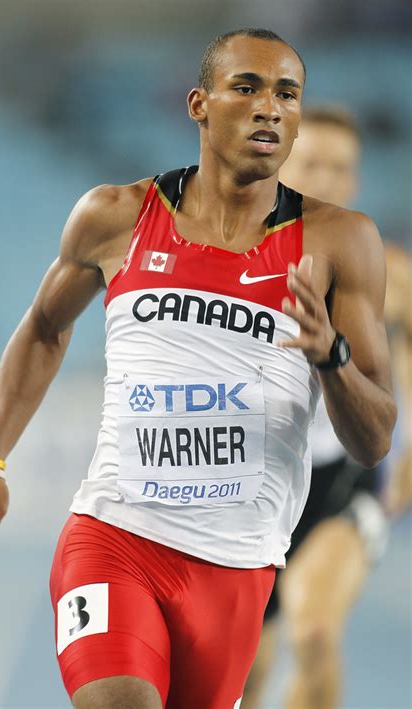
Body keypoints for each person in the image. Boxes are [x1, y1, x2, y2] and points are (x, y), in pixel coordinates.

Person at [0, 29, 396, 709]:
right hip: (113, 537)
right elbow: (44, 326)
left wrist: (330, 355)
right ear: (199, 104)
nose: (269, 108)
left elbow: (374, 440)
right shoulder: (117, 216)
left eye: (286, 94)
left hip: (237, 570)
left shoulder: (341, 243)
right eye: (246, 87)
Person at [241, 107, 410, 709]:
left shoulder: (391, 273)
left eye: (342, 168)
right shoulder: (239, 260)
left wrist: (405, 468)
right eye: (314, 164)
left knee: (314, 634)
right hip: (258, 486)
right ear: (281, 164)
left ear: (357, 181)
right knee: (246, 674)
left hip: (346, 478)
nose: (329, 179)